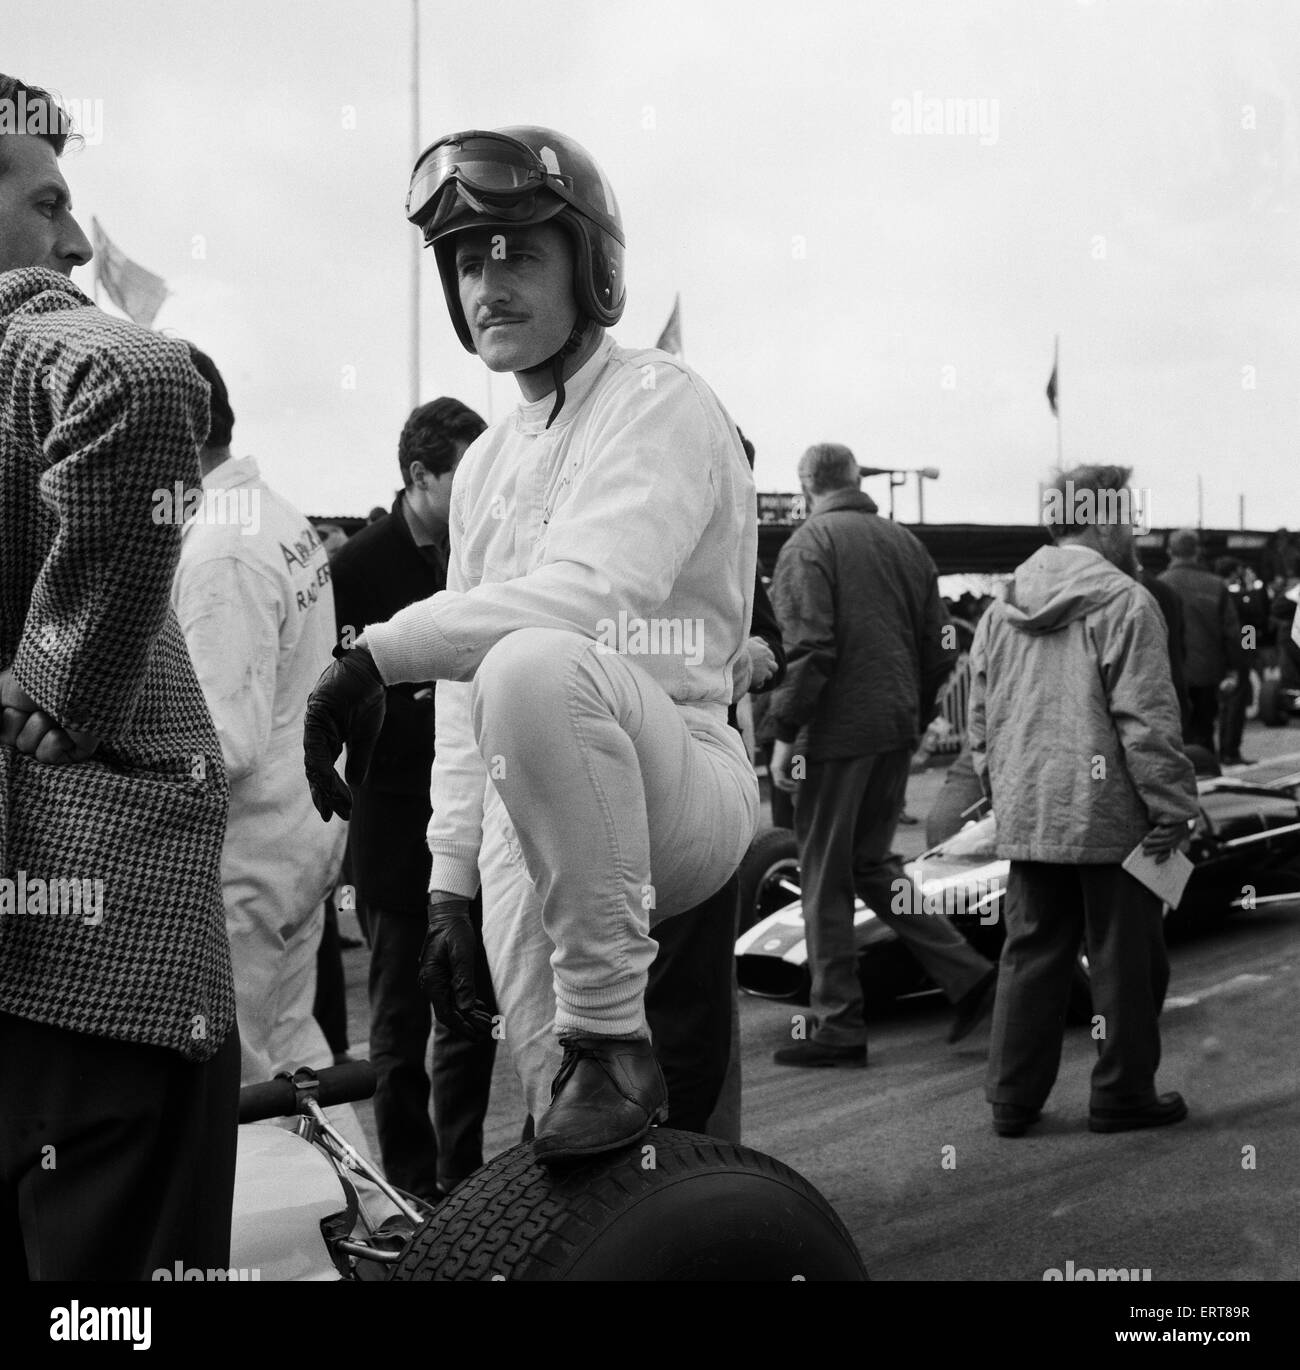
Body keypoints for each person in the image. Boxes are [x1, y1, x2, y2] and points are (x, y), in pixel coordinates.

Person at [304, 126, 760, 1161]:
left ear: (591, 268)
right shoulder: (484, 462)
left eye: (519, 252)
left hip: (676, 781)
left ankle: (617, 1045)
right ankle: (590, 1058)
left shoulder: (661, 398)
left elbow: (588, 604)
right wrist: (448, 882)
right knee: (554, 1139)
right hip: (527, 808)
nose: (488, 283)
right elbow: (468, 702)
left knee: (680, 1155)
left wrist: (378, 651)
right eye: (469, 260)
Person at [0, 75, 238, 1278]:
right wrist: (66, 679)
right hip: (96, 974)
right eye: (49, 202)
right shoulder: (27, 337)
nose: (78, 238)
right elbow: (147, 382)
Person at [970, 464, 1197, 1138]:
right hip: (1112, 813)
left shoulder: (1001, 604)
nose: (1133, 530)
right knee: (1127, 956)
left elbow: (981, 721)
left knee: (1031, 950)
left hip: (1032, 809)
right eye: (1126, 516)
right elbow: (1147, 718)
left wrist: (1000, 793)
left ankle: (1012, 1098)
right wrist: (1173, 805)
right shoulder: (1126, 601)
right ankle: (1123, 1093)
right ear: (1101, 520)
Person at [764, 443, 996, 1067]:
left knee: (822, 876)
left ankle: (839, 1022)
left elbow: (811, 648)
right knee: (871, 864)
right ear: (855, 480)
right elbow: (942, 645)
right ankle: (969, 974)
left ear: (806, 483)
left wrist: (785, 732)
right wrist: (913, 719)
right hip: (893, 725)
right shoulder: (907, 546)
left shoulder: (808, 546)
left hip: (836, 734)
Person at [329, 395, 499, 1199]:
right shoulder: (356, 567)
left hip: (472, 815)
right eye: (460, 476)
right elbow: (337, 698)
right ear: (417, 476)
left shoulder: (477, 552)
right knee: (399, 1022)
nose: (477, 492)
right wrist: (426, 696)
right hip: (395, 822)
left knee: (470, 1009)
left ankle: (460, 1177)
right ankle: (408, 1186)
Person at [170, 346, 349, 1094]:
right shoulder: (270, 513)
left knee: (239, 1086)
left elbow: (223, 742)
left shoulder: (219, 549)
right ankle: (366, 1212)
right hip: (301, 833)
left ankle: (301, 1212)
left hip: (248, 856)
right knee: (294, 1053)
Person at [1159, 529, 1241, 753]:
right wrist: (1237, 668)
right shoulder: (1216, 585)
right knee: (1204, 728)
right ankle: (1215, 763)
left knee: (1176, 733)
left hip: (1170, 674)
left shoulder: (1158, 585)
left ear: (1169, 551)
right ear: (1197, 551)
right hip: (1209, 671)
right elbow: (1236, 632)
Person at [1216, 557, 1267, 766]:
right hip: (1238, 653)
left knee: (1226, 704)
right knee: (1235, 702)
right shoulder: (1236, 593)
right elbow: (1255, 618)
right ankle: (1230, 751)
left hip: (1220, 652)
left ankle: (1224, 750)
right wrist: (1252, 588)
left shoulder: (1218, 589)